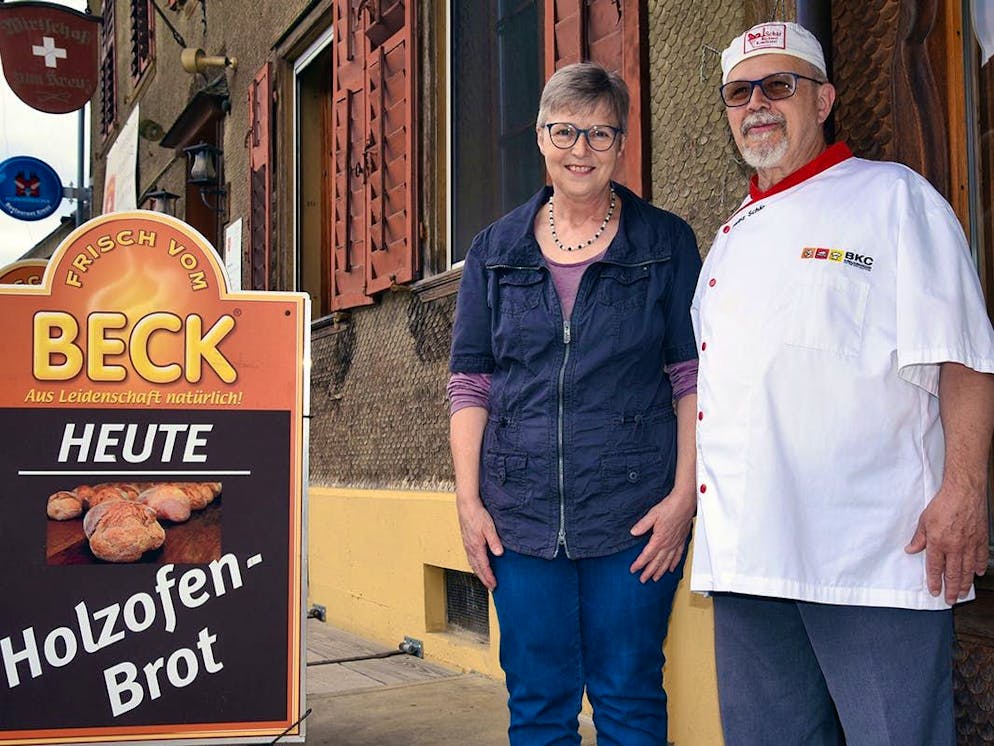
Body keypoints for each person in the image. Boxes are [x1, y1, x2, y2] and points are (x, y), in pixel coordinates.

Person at [691, 20, 994, 745]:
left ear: (823, 99)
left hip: (872, 556)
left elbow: (964, 360)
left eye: (778, 85)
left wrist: (964, 495)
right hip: (749, 564)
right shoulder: (727, 240)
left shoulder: (896, 200)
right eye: (740, 92)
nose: (757, 104)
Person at [448, 62, 701, 745]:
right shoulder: (492, 252)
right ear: (539, 136)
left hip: (635, 513)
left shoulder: (665, 243)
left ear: (622, 145)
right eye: (565, 131)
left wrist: (684, 498)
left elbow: (691, 376)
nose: (580, 150)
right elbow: (471, 381)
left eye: (599, 133)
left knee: (629, 695)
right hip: (519, 518)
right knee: (537, 702)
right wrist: (469, 504)